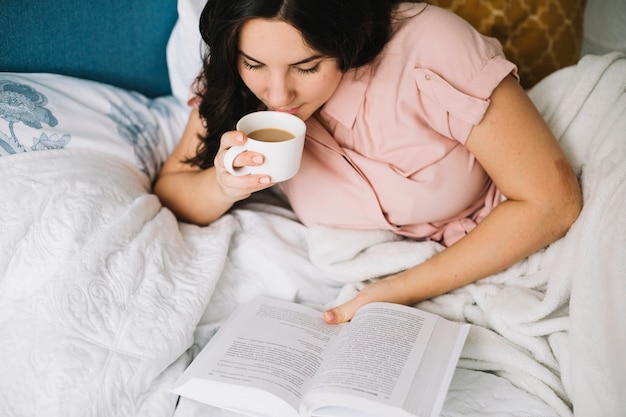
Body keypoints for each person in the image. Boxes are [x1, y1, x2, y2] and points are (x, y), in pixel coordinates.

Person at [154, 0, 582, 324]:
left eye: (307, 66)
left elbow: (553, 202)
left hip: (511, 226)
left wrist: (396, 291)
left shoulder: (431, 49)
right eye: (255, 64)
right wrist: (225, 185)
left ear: (345, 39)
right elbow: (172, 188)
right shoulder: (238, 81)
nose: (278, 95)